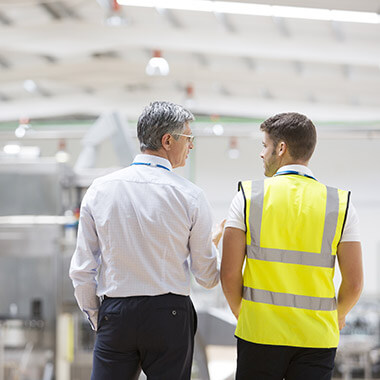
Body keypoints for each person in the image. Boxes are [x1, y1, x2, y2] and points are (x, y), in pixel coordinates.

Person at [69, 101, 222, 380]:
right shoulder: (190, 196)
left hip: (115, 312)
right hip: (169, 315)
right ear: (168, 140)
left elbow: (82, 269)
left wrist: (98, 317)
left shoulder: (100, 189)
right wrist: (212, 244)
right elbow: (207, 276)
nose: (191, 146)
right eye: (189, 138)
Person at [221, 112, 363, 380]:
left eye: (264, 145)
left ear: (281, 148)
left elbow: (228, 274)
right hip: (317, 338)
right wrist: (337, 316)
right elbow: (354, 284)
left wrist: (245, 314)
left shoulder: (247, 197)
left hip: (259, 334)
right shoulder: (341, 204)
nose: (262, 154)